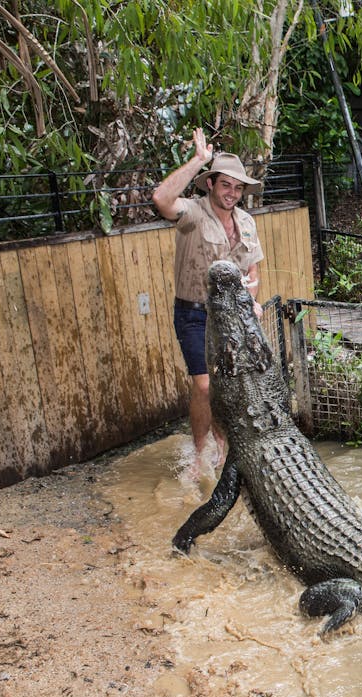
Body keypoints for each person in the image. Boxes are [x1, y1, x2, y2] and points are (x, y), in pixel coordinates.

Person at [151, 128, 264, 474]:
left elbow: (253, 273)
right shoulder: (193, 214)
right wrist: (198, 160)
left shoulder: (245, 221)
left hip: (231, 316)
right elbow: (161, 199)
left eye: (238, 187)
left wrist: (251, 301)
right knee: (203, 385)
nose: (232, 193)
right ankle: (199, 455)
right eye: (226, 185)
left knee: (226, 385)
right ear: (211, 184)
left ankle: (223, 447)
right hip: (194, 313)